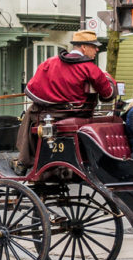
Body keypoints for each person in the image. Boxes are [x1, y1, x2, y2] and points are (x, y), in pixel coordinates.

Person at [14, 30, 116, 175]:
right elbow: (108, 94)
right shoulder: (91, 69)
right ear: (84, 48)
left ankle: (23, 160)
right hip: (77, 113)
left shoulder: (50, 63)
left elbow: (31, 89)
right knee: (33, 111)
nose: (97, 49)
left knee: (31, 112)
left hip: (48, 114)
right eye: (94, 46)